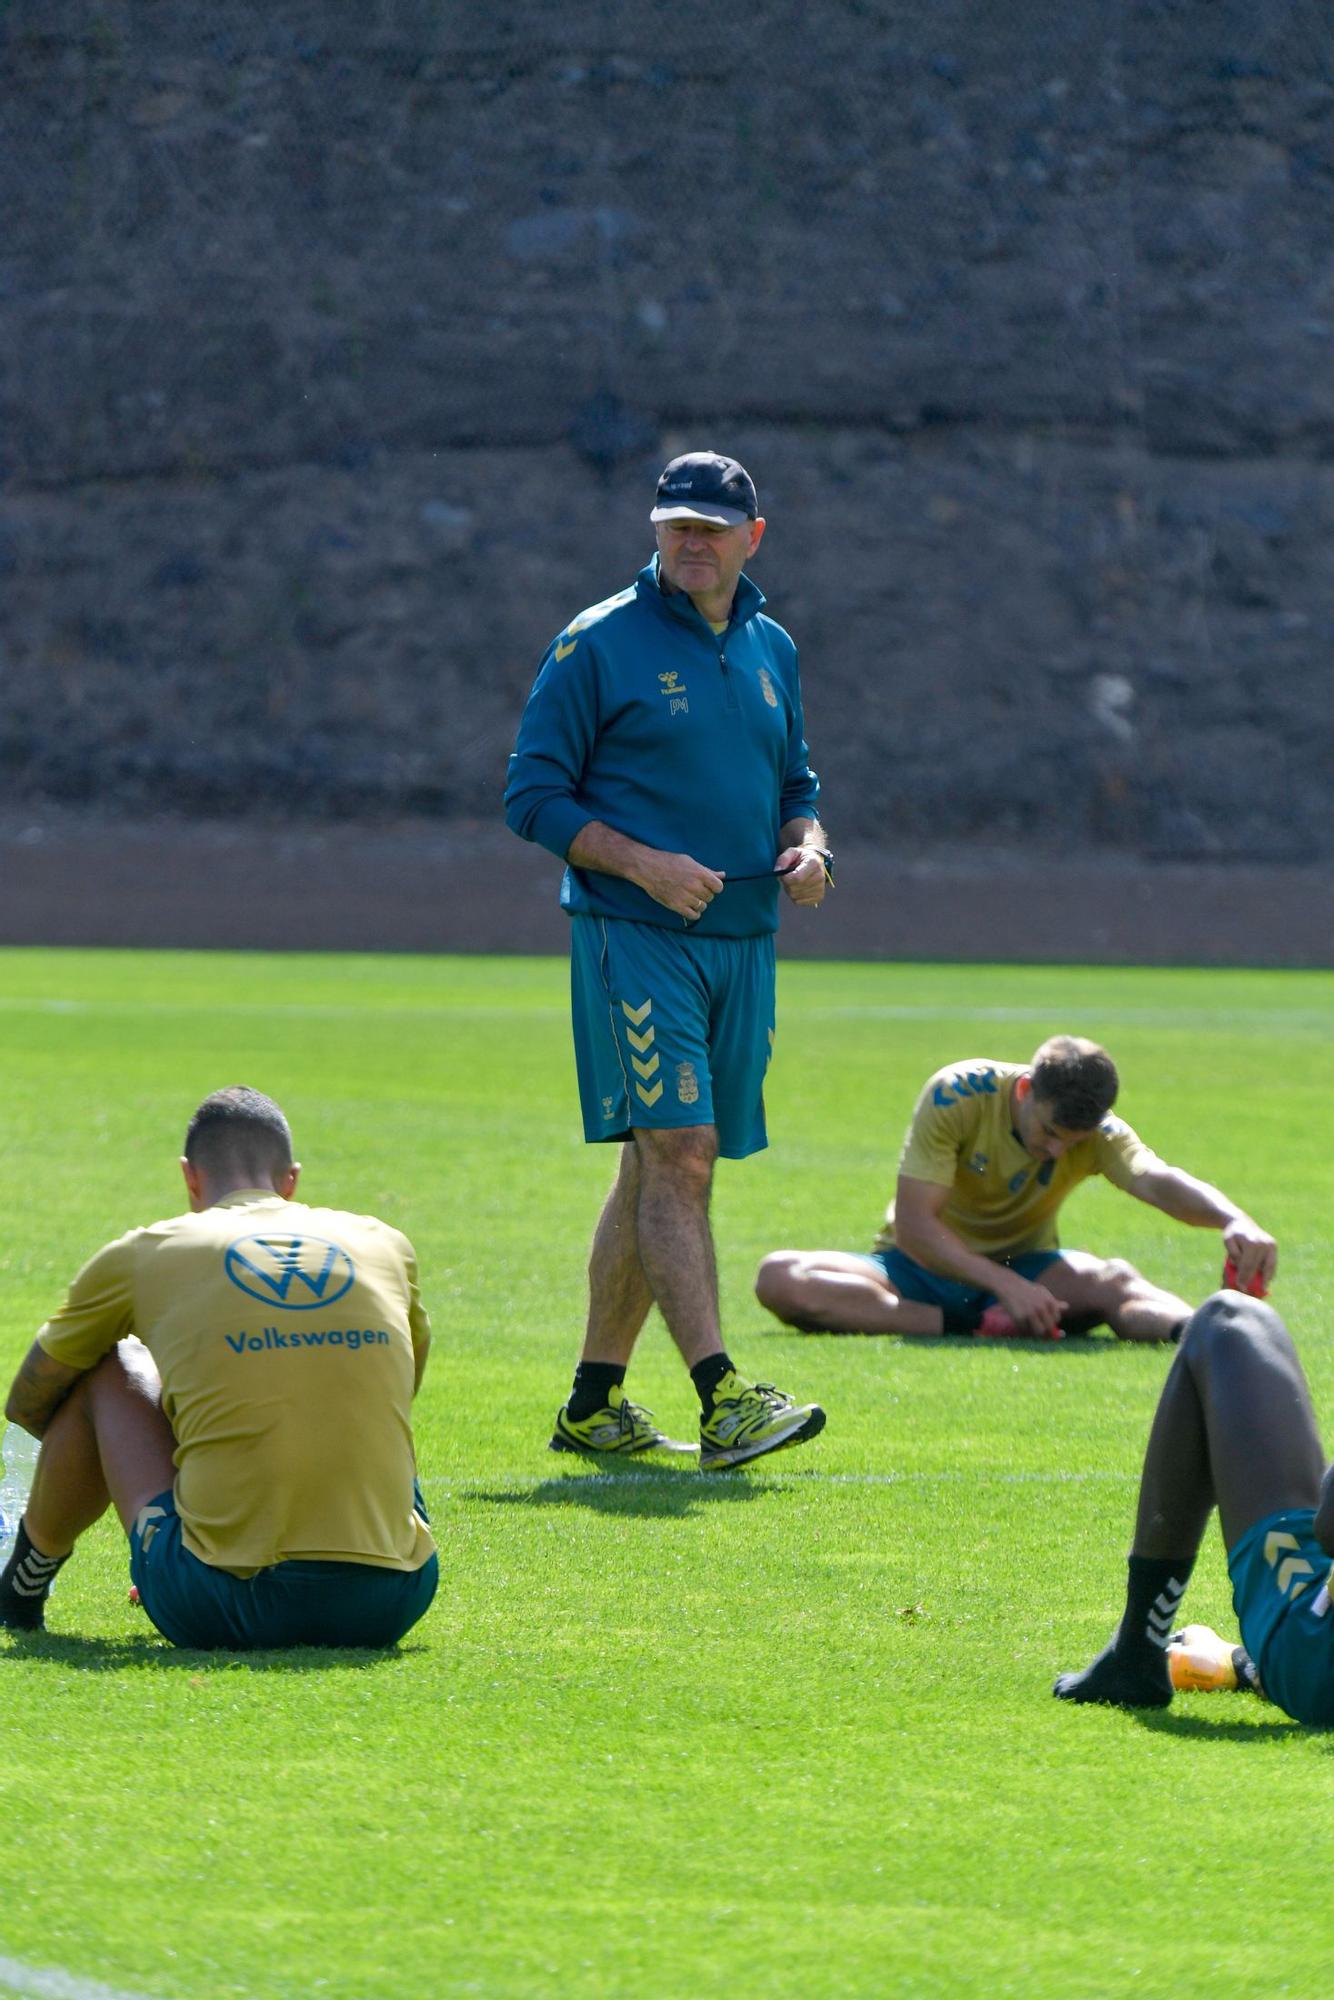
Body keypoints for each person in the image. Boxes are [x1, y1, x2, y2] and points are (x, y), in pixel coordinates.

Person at [504, 450, 831, 1469]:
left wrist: (811, 848)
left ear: (751, 536)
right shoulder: (595, 642)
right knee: (681, 1152)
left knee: (661, 1164)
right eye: (672, 525)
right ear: (653, 531)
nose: (689, 542)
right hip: (634, 934)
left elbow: (798, 783)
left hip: (744, 941)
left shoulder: (771, 646)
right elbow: (531, 796)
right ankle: (720, 1395)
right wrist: (642, 865)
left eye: (708, 527)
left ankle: (593, 1399)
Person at [0, 1087, 438, 1649]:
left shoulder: (147, 1251)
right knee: (345, 1390)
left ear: (190, 1178)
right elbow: (403, 1390)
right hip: (393, 1598)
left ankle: (21, 1587)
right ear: (291, 1181)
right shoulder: (384, 1242)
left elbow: (31, 1398)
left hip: (219, 1601)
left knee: (111, 1363)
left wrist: (158, 1458)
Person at [755, 1036, 1276, 1341]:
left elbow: (1156, 1180)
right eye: (1049, 1133)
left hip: (1027, 1266)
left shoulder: (1093, 1131)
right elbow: (915, 1228)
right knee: (781, 1277)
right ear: (1025, 1090)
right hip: (918, 1268)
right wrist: (1006, 1290)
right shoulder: (958, 1093)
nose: (1056, 1151)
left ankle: (1208, 1338)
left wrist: (1235, 1219)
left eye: (1072, 1144)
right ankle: (967, 1322)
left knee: (1116, 1281)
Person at [1053, 1291, 1334, 1725]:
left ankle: (1136, 1655)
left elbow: (1330, 1526)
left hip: (1317, 1660)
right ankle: (1244, 1666)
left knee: (1226, 1321)